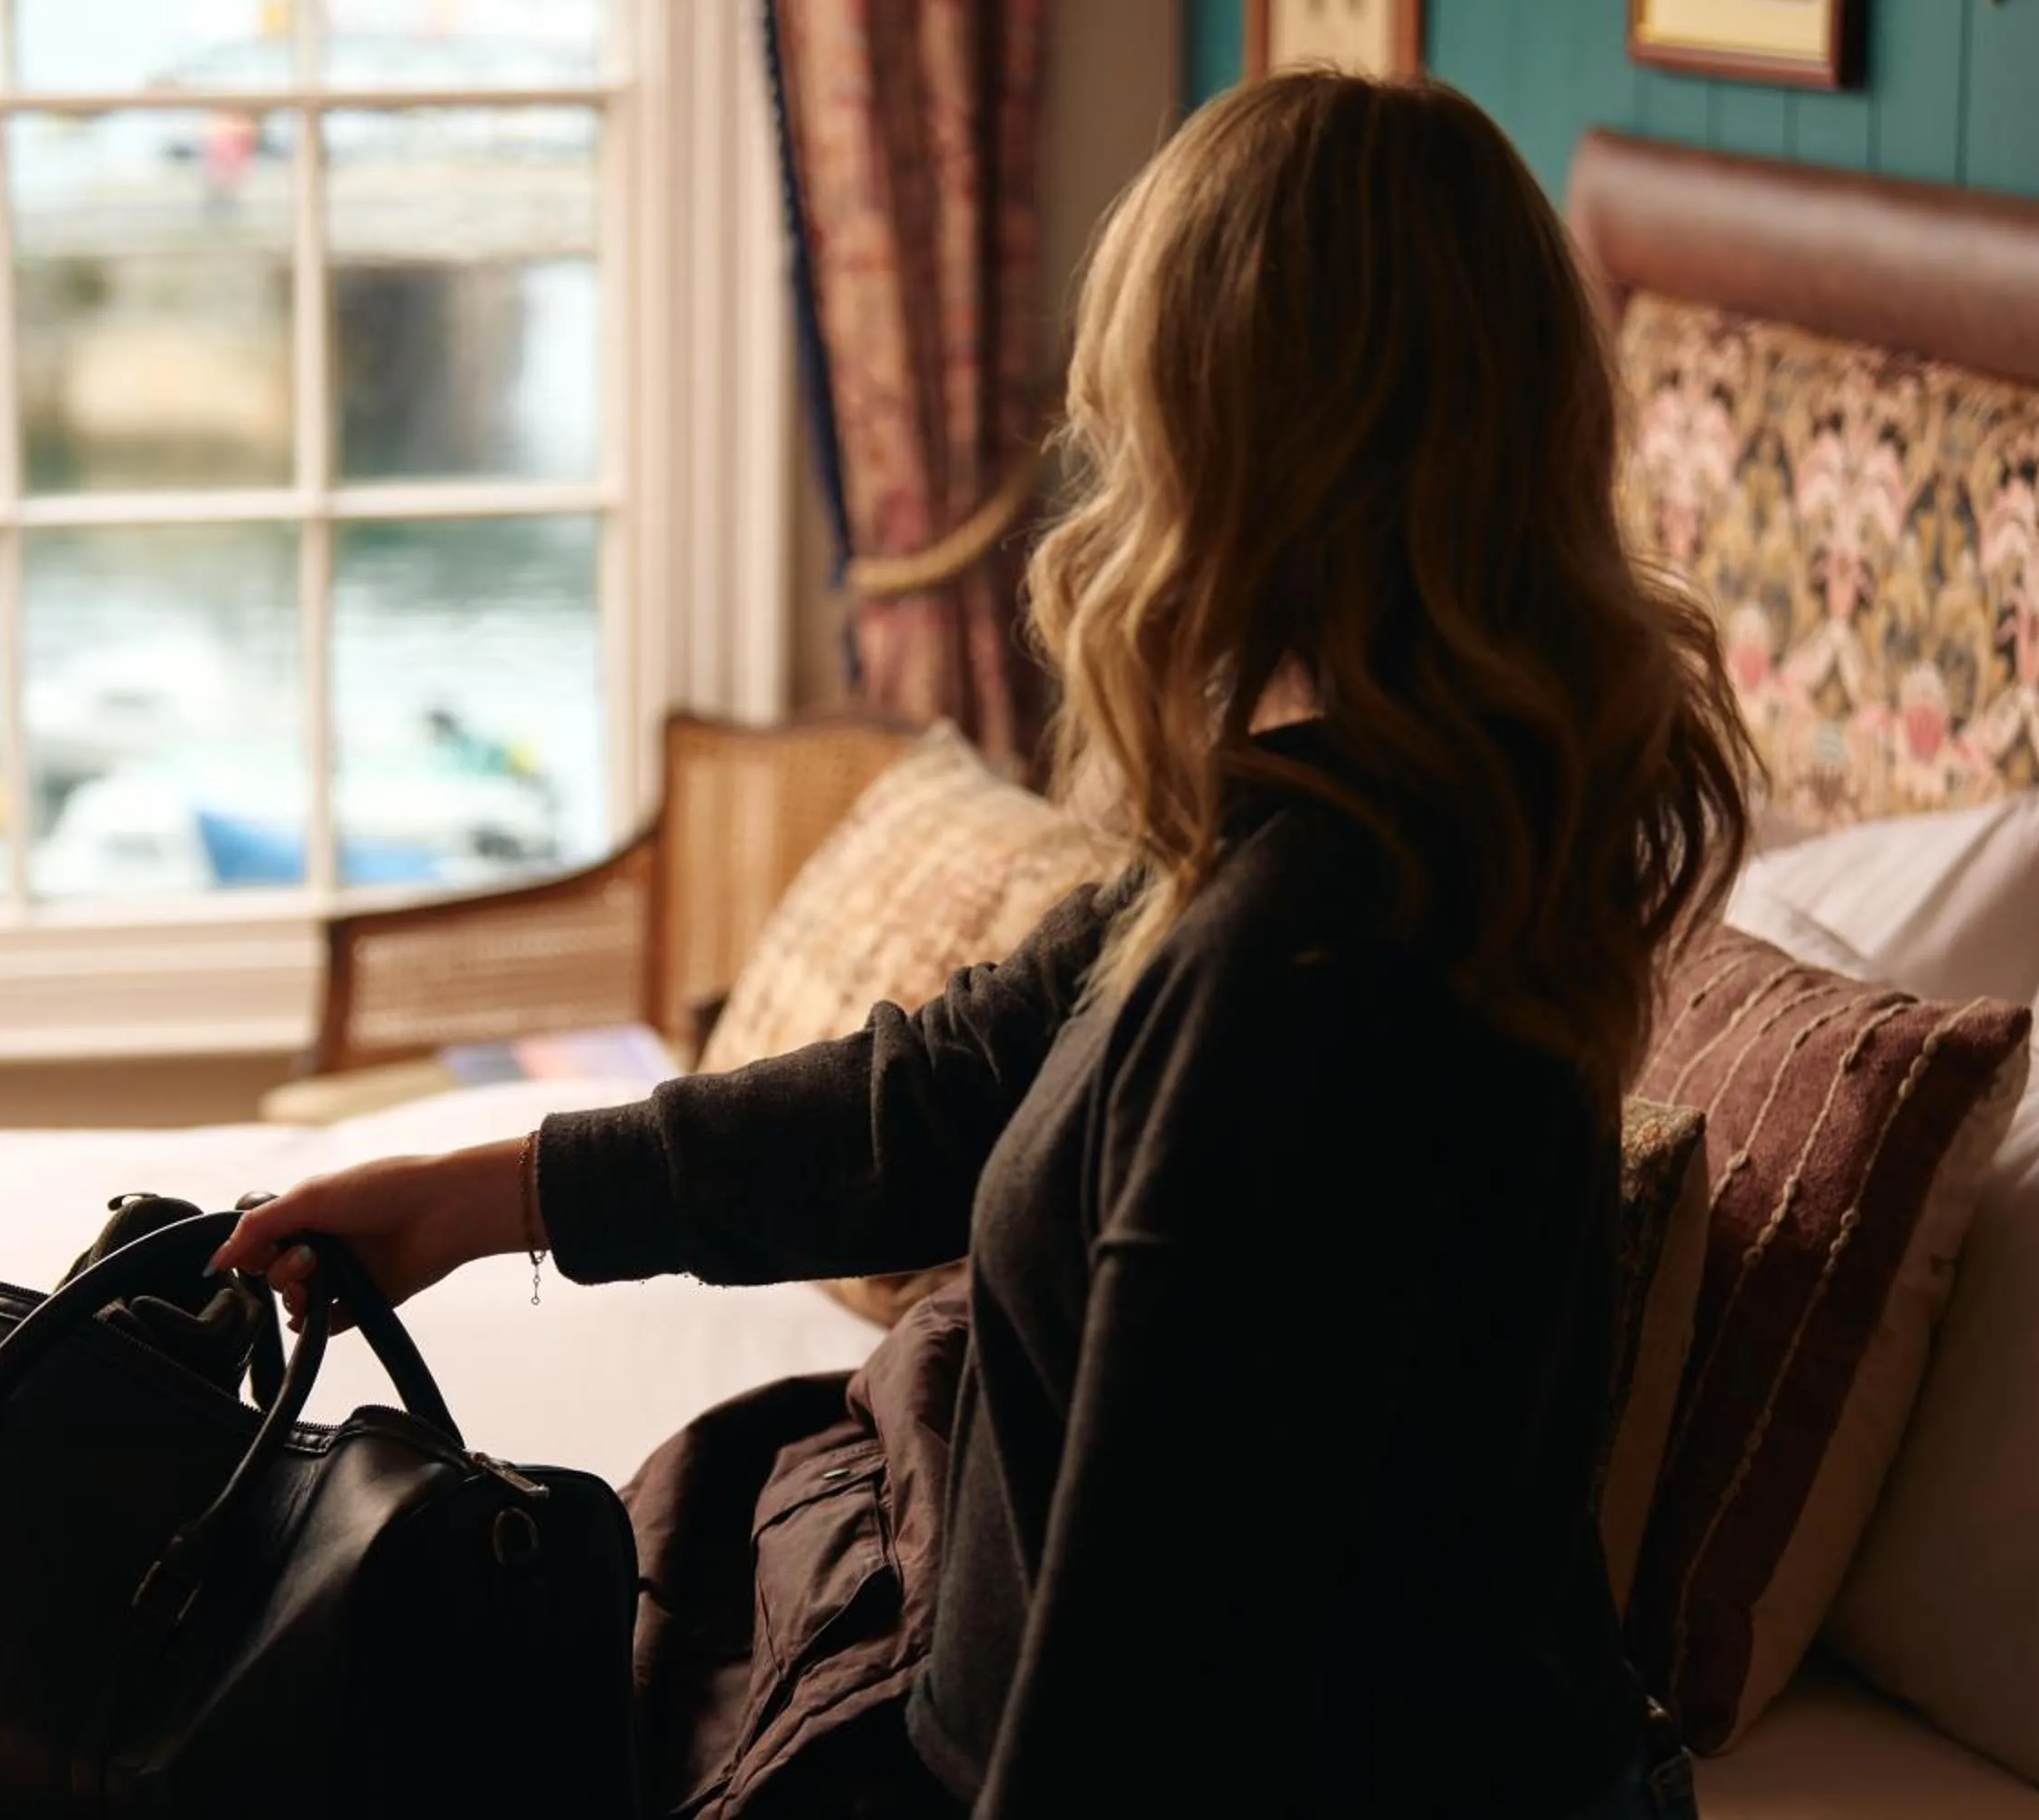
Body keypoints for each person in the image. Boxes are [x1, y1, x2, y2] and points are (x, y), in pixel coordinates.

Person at [215, 70, 1753, 1818]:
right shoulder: (1383, 835)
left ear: (1239, 445)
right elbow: (938, 1096)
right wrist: (486, 1197)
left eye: (1137, 406)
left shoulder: (1303, 984)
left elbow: (1144, 1702)